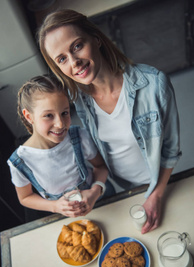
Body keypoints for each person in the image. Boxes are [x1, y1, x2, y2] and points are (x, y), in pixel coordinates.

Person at [37, 9, 182, 233]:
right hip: (119, 186)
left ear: (95, 38)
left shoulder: (154, 85)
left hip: (157, 182)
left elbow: (171, 149)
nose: (74, 62)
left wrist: (156, 194)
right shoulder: (79, 99)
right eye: (62, 59)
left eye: (77, 46)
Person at [7, 75, 115, 219]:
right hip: (64, 215)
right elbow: (25, 197)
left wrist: (95, 191)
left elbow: (101, 166)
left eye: (64, 113)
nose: (60, 124)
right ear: (29, 116)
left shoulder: (79, 136)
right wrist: (54, 206)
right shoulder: (20, 162)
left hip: (100, 199)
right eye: (48, 115)